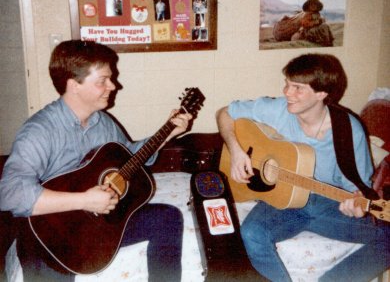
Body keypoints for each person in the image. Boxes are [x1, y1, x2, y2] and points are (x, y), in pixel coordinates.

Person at [0, 40, 192, 282]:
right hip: (52, 233)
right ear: (74, 85)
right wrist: (85, 200)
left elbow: (129, 158)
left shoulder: (102, 121)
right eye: (103, 80)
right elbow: (9, 193)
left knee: (168, 217)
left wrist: (168, 133)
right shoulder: (39, 130)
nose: (113, 86)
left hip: (94, 226)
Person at [216, 53, 390, 282]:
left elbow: (357, 188)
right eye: (287, 84)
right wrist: (237, 151)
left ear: (322, 93)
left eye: (297, 88)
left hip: (327, 202)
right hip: (285, 200)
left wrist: (356, 205)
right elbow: (224, 113)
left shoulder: (349, 130)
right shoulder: (278, 109)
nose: (287, 92)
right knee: (251, 233)